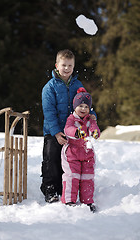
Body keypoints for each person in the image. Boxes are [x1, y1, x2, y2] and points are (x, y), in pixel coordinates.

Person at [41, 49, 96, 203]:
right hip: (54, 131)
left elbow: (85, 103)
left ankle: (68, 187)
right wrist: (57, 133)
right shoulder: (49, 87)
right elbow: (49, 112)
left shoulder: (77, 84)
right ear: (56, 65)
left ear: (73, 66)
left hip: (74, 131)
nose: (66, 68)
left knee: (70, 159)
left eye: (70, 65)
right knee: (52, 156)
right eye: (63, 65)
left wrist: (92, 115)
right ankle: (50, 187)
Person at [61, 87, 100, 212]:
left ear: (89, 109)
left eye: (86, 107)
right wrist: (76, 132)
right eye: (80, 106)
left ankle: (87, 201)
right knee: (72, 176)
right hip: (72, 152)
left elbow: (95, 129)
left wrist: (95, 133)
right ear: (75, 107)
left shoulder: (90, 120)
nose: (83, 109)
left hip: (87, 152)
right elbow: (67, 129)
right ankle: (69, 200)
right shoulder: (71, 119)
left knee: (87, 177)